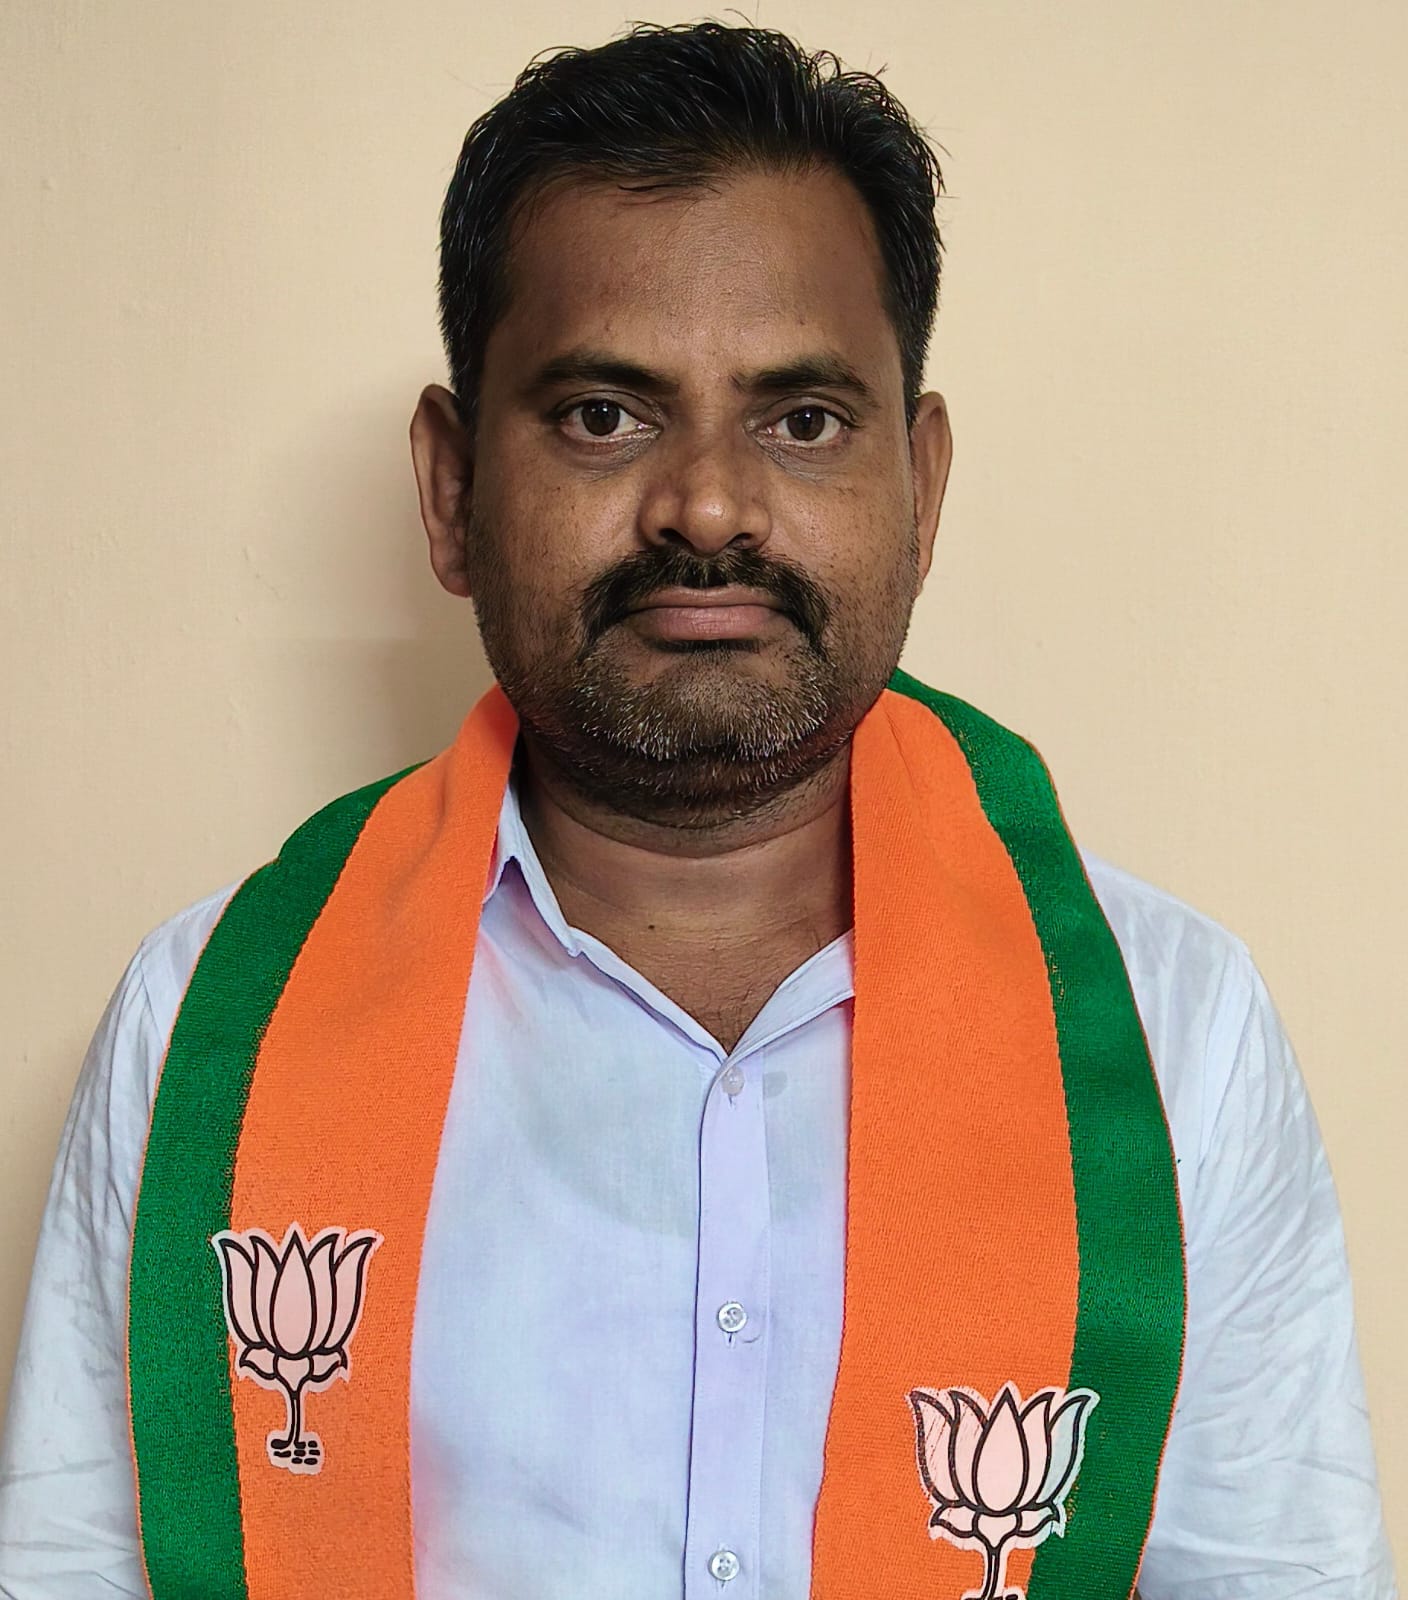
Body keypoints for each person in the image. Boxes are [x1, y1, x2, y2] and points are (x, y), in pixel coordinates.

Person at [0, 21, 1395, 1600]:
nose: (709, 507)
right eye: (605, 413)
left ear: (923, 491)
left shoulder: (1168, 1032)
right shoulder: (212, 1031)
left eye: (802, 421)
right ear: (451, 490)